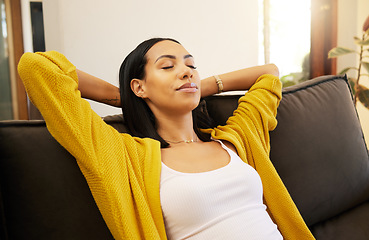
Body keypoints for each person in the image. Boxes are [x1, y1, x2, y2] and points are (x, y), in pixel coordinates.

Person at [18, 38, 314, 239]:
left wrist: (199, 86)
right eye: (168, 66)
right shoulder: (123, 157)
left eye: (191, 65)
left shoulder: (236, 138)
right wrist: (126, 98)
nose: (186, 71)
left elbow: (269, 74)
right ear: (139, 86)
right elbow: (37, 67)